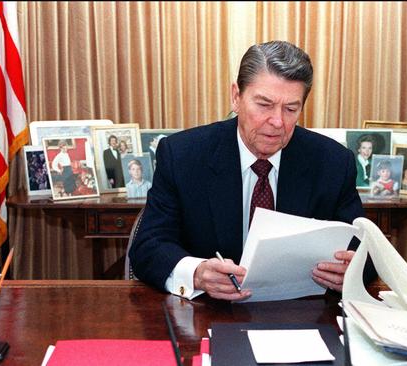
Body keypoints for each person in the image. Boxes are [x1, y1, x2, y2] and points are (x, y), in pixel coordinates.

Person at [129, 40, 376, 301]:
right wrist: (197, 273)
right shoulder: (183, 155)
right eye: (264, 104)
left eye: (291, 109)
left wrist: (353, 268)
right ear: (236, 97)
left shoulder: (333, 163)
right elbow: (148, 246)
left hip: (300, 318)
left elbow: (366, 250)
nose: (277, 122)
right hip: (208, 312)